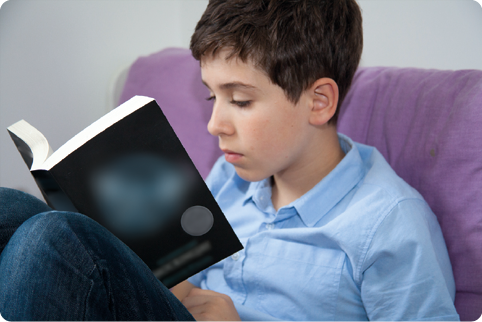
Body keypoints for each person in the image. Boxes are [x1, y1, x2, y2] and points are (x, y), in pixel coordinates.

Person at [0, 0, 460, 321]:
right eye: (211, 96)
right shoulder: (235, 174)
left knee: (52, 238)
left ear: (319, 102)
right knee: (9, 209)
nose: (214, 125)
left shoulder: (389, 225)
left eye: (239, 100)